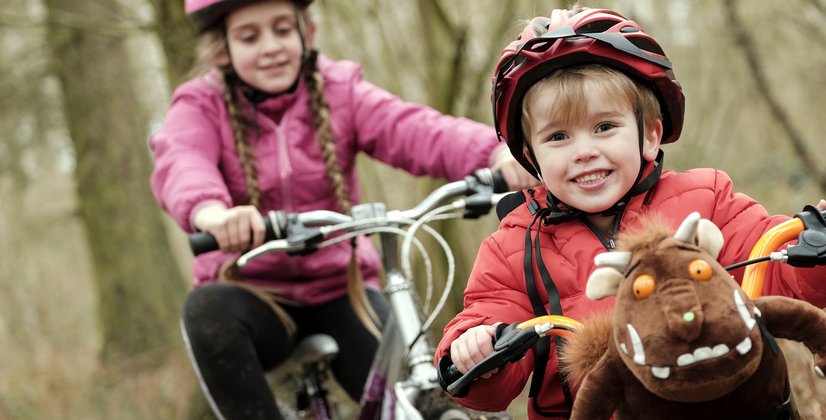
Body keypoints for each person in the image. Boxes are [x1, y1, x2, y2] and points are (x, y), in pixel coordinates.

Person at [435, 6, 826, 419]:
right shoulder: (514, 244)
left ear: (651, 135)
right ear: (529, 157)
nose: (584, 152)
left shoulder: (707, 199)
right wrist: (474, 348)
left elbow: (779, 267)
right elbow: (489, 323)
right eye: (558, 138)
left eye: (605, 127)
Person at [149, 0, 537, 418]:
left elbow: (413, 129)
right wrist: (214, 214)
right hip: (254, 295)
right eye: (249, 37)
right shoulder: (201, 105)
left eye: (283, 30)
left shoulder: (339, 90)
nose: (271, 47)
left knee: (417, 391)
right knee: (207, 313)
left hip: (342, 287)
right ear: (222, 49)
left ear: (306, 33)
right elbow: (183, 160)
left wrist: (495, 154)